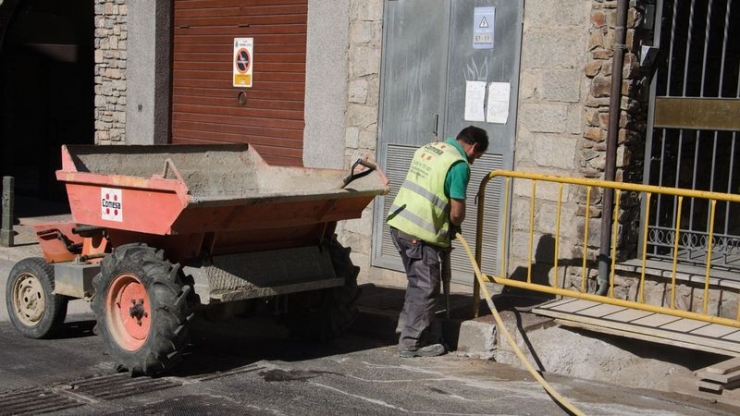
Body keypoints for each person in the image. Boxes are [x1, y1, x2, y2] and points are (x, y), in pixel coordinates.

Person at [387, 126, 489, 358]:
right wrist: (455, 224)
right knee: (427, 288)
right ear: (473, 147)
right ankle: (411, 344)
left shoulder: (430, 148)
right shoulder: (459, 164)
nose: (473, 162)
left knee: (417, 284)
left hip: (399, 223)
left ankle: (407, 329)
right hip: (420, 233)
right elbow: (456, 212)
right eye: (476, 157)